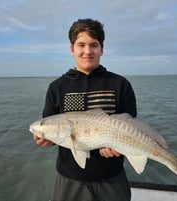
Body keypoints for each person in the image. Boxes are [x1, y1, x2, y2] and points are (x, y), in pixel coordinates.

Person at [33, 18, 137, 201]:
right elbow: (53, 128)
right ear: (72, 49)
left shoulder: (120, 84)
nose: (87, 51)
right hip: (69, 179)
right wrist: (45, 139)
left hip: (112, 178)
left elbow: (131, 126)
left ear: (102, 49)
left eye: (94, 45)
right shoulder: (57, 87)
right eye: (81, 45)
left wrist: (117, 145)